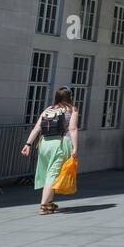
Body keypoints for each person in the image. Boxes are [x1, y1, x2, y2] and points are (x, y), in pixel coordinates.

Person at [20, 86, 79, 215]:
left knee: (48, 173)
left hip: (44, 144)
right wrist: (75, 147)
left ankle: (49, 202)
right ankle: (44, 205)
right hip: (60, 144)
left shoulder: (48, 109)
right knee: (53, 174)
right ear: (69, 97)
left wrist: (28, 144)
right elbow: (73, 129)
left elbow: (37, 128)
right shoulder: (72, 110)